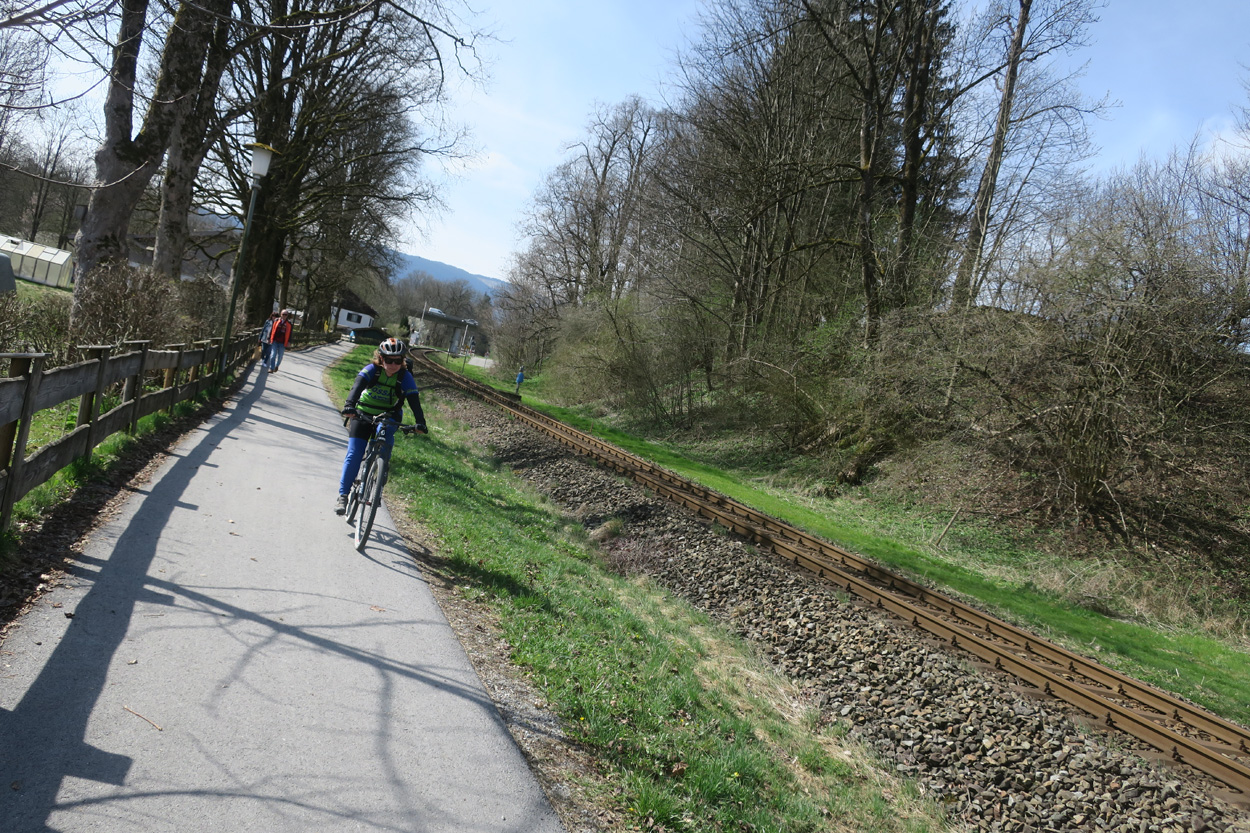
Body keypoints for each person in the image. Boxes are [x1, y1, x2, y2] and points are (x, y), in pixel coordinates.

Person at [335, 338, 427, 514]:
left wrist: (420, 422)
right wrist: (349, 406)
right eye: (389, 360)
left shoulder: (405, 376)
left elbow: (414, 400)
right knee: (355, 453)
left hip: (389, 415)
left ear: (403, 361)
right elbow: (357, 386)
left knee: (385, 441)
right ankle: (343, 496)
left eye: (398, 361)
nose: (393, 365)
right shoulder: (372, 370)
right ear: (381, 358)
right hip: (363, 412)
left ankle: (381, 470)